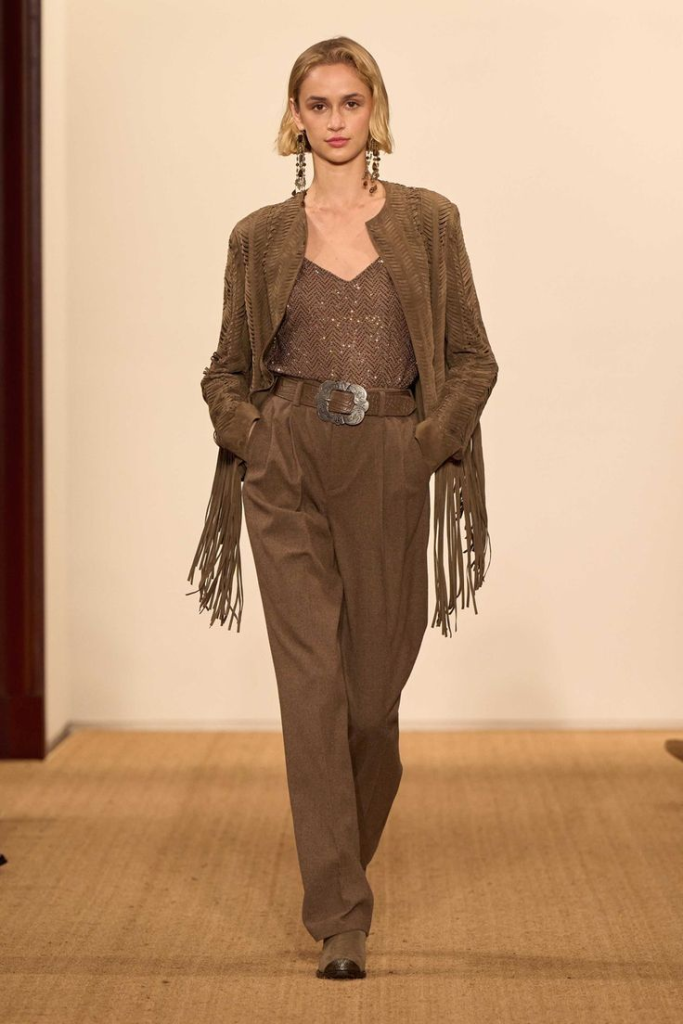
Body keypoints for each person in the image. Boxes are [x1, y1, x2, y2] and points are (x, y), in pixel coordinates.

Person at [187, 36, 499, 980]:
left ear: (375, 111)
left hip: (390, 460)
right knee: (313, 692)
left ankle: (338, 864)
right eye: (316, 104)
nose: (333, 121)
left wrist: (424, 444)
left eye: (349, 103)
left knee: (368, 706)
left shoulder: (428, 221)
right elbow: (224, 369)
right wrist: (255, 437)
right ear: (294, 117)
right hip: (286, 463)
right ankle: (339, 916)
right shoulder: (258, 236)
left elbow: (473, 358)